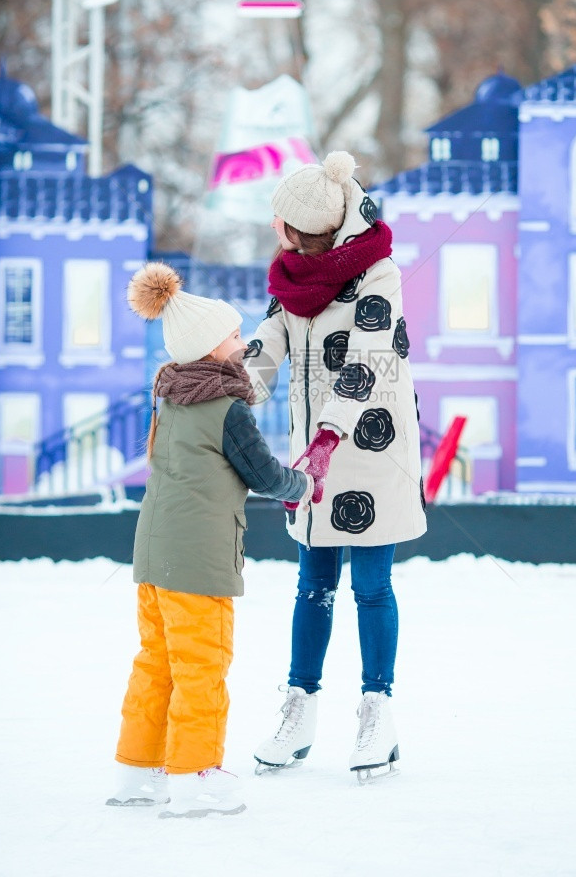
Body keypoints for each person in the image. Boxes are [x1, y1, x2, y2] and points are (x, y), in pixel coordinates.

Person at [244, 151, 427, 782]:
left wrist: (330, 435)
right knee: (312, 582)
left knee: (371, 585)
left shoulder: (379, 274)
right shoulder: (293, 278)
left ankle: (378, 707)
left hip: (371, 453)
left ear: (302, 231)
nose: (276, 230)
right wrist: (222, 391)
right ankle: (300, 703)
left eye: (281, 222)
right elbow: (267, 346)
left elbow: (369, 363)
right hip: (310, 461)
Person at [106, 262, 313, 817]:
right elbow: (265, 474)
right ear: (208, 347)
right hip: (197, 562)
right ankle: (196, 776)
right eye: (235, 335)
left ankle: (136, 770)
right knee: (202, 665)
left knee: (157, 663)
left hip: (153, 556)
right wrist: (305, 483)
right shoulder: (225, 408)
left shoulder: (170, 398)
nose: (244, 344)